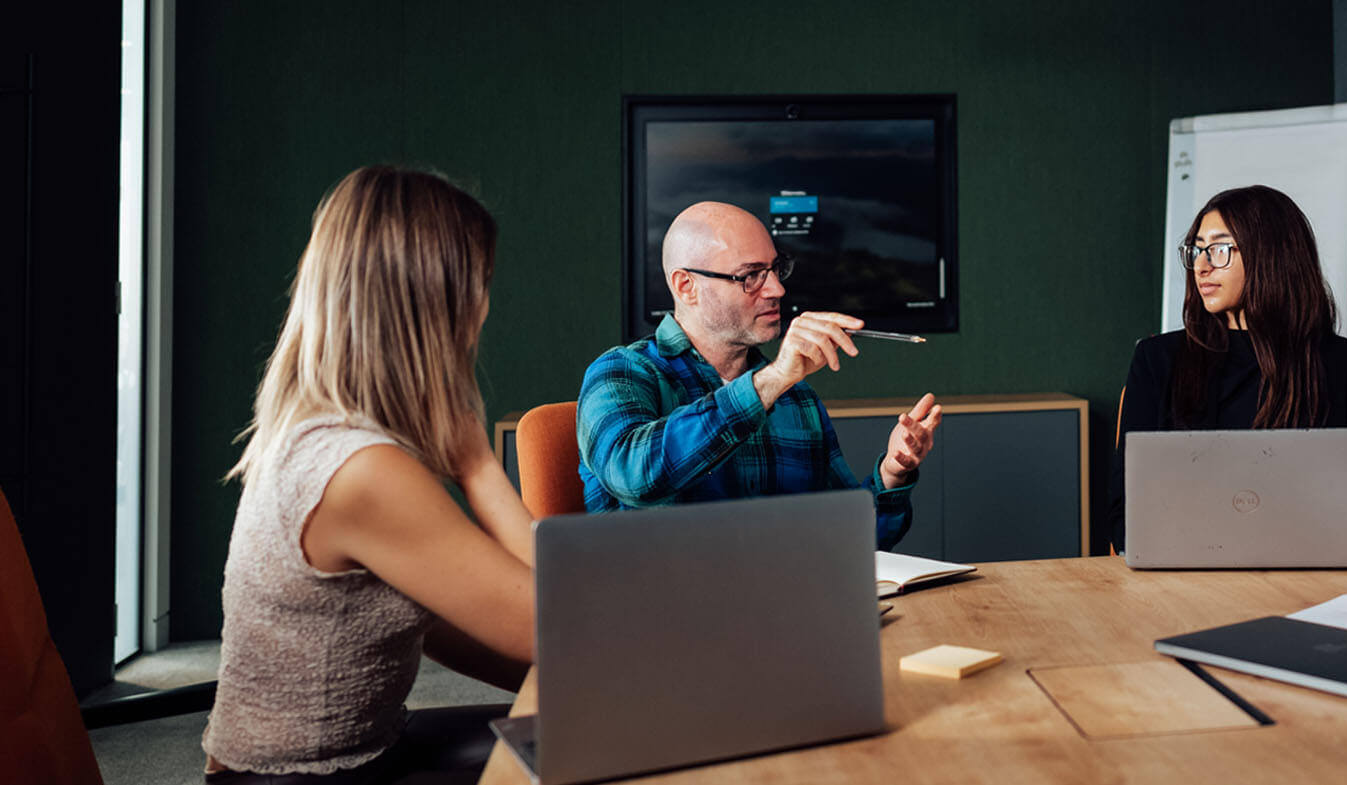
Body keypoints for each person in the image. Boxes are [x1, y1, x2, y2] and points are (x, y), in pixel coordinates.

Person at [204, 167, 535, 783]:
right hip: (300, 777)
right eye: (481, 286)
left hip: (358, 751)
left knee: (586, 732)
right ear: (435, 301)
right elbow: (555, 626)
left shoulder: (323, 433)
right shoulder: (361, 472)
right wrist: (477, 463)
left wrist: (569, 681)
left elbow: (431, 620)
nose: (485, 310)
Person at [577, 201, 941, 549]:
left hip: (779, 604)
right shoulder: (622, 373)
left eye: (775, 269)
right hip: (657, 607)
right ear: (686, 286)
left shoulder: (795, 398)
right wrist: (771, 381)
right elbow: (635, 476)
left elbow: (846, 539)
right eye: (750, 276)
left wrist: (893, 473)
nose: (777, 290)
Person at [1109, 185, 1347, 551]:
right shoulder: (1158, 358)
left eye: (1220, 249)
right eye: (1196, 250)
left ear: (1271, 255)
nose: (1202, 266)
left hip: (1306, 571)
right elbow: (1123, 513)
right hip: (1180, 571)